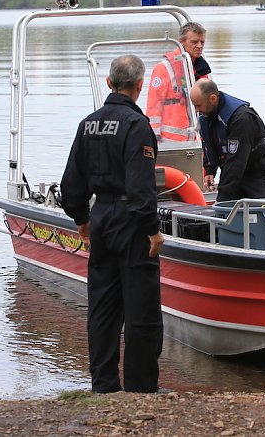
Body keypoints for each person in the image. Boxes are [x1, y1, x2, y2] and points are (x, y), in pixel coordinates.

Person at [60, 54, 165, 394]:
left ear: (108, 83)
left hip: (101, 218)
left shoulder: (87, 124)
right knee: (142, 309)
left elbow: (71, 183)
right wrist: (152, 229)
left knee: (102, 307)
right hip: (132, 224)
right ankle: (140, 385)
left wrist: (81, 219)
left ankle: (103, 384)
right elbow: (140, 188)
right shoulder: (137, 126)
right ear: (139, 86)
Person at [189, 78, 265, 201]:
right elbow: (209, 144)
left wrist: (221, 198)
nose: (196, 110)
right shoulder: (207, 115)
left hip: (258, 177)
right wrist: (210, 169)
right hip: (234, 178)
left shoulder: (241, 118)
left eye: (198, 105)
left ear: (213, 99)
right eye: (194, 106)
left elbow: (235, 162)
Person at [146, 22, 212, 142]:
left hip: (196, 139)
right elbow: (153, 107)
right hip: (170, 141)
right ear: (181, 42)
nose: (199, 46)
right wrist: (154, 139)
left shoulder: (201, 70)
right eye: (194, 42)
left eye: (202, 42)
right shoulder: (164, 68)